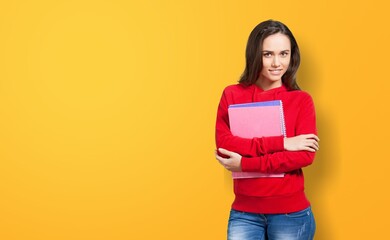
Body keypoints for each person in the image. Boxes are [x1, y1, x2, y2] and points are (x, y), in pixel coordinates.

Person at [215, 20, 319, 240]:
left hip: (290, 215)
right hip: (244, 214)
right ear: (255, 55)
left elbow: (305, 156)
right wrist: (283, 143)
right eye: (267, 54)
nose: (276, 63)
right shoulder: (232, 95)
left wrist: (245, 163)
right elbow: (225, 145)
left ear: (292, 56)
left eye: (284, 54)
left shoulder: (301, 100)